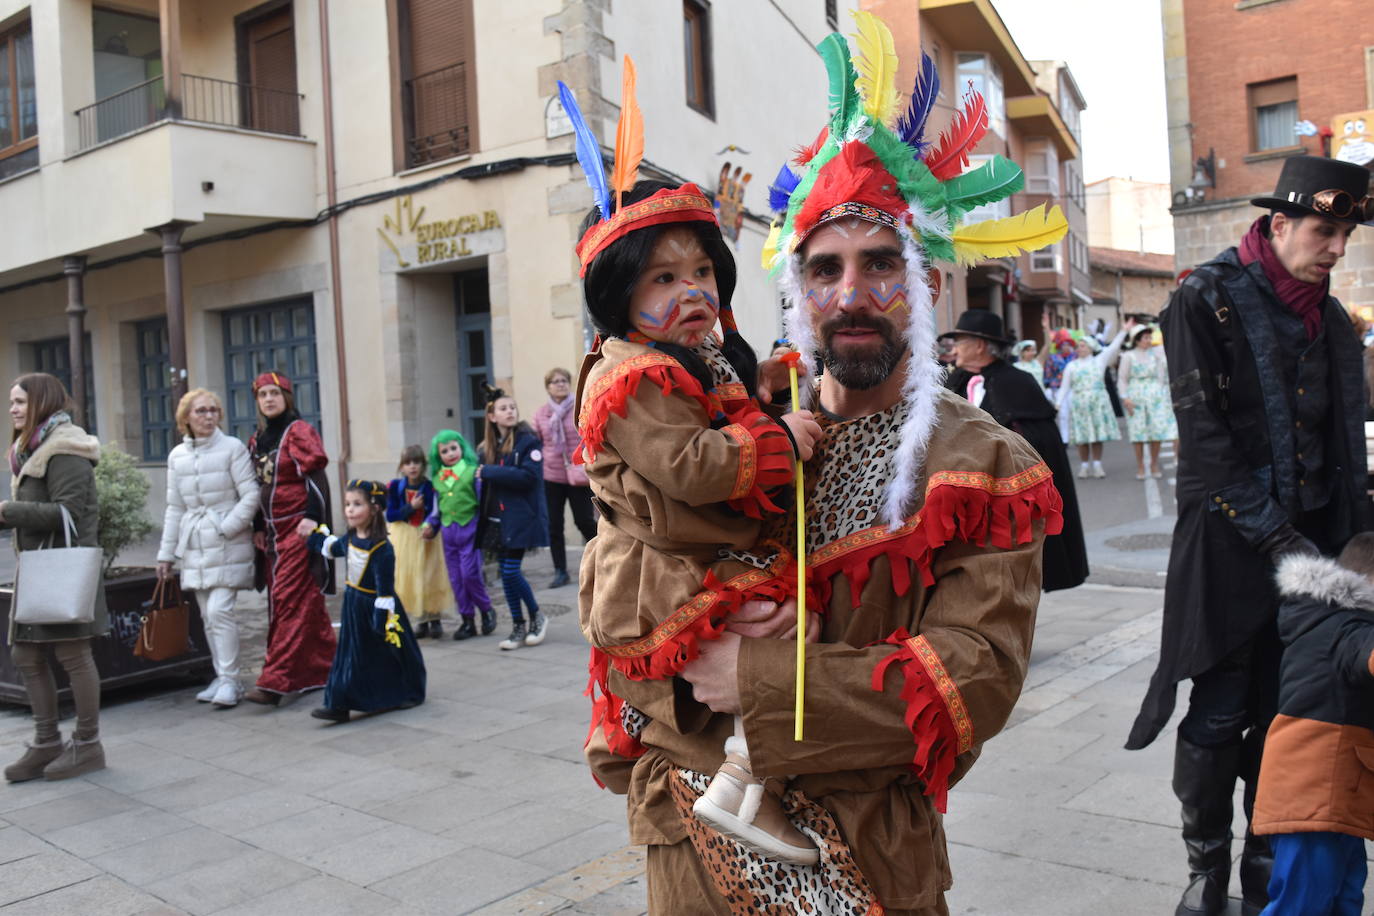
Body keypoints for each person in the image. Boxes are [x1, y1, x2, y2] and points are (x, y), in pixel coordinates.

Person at [586, 20, 1063, 912]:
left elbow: (973, 680)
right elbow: (614, 599)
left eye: (880, 264)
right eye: (824, 269)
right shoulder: (723, 430)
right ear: (793, 289)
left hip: (867, 859)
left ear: (925, 285)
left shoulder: (982, 464)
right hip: (692, 844)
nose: (850, 295)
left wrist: (755, 680)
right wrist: (682, 652)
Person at [564, 61, 823, 861]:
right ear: (618, 295)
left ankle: (744, 784)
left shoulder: (681, 359)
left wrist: (766, 388)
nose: (694, 290)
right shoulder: (629, 375)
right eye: (665, 278)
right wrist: (781, 441)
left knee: (784, 633)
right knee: (767, 639)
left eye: (703, 271)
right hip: (661, 572)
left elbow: (713, 416)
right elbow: (693, 464)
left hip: (686, 553)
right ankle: (739, 787)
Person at [1126, 155, 1372, 916]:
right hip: (1230, 548)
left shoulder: (1331, 320)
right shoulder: (1205, 297)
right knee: (1219, 711)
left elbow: (1346, 447)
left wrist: (1351, 549)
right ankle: (1206, 868)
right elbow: (1202, 443)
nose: (1335, 248)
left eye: (1346, 235)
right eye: (1325, 230)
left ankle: (1269, 853)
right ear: (1279, 223)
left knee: (1287, 714)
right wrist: (1276, 541)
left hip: (1316, 554)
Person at [1251, 535, 1374, 915]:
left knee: (1344, 893)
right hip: (1314, 795)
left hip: (1333, 797)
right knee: (1303, 902)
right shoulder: (1345, 627)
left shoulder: (1325, 619)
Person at [2, 373, 107, 781]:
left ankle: (87, 744)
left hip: (63, 569)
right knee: (25, 655)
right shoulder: (33, 448)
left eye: (20, 402)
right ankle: (46, 742)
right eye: (12, 402)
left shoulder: (65, 447)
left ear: (41, 403)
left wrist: (7, 511)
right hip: (39, 567)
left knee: (73, 656)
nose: (12, 409)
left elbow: (69, 512)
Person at [942, 310, 1088, 592]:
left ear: (980, 345)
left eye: (960, 340)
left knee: (1004, 581)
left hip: (1003, 504)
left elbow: (1037, 443)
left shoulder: (1018, 382)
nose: (954, 348)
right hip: (958, 500)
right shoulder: (953, 381)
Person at [156, 388, 259, 709]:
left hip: (228, 542)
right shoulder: (177, 456)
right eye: (201, 411)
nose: (209, 416)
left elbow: (251, 495)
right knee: (206, 615)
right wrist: (166, 554)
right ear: (186, 417)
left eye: (214, 410)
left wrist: (226, 527)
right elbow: (175, 507)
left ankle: (230, 679)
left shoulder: (232, 448)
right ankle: (221, 674)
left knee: (220, 611)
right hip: (194, 545)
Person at [299, 480, 426, 723]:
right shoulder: (351, 538)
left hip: (375, 608)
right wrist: (314, 537)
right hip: (353, 605)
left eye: (357, 504)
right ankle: (339, 703)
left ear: (375, 508)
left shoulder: (382, 548)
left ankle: (408, 690)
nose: (350, 510)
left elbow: (385, 590)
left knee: (391, 652)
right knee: (349, 656)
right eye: (347, 504)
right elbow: (333, 548)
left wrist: (382, 621)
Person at [245, 371, 336, 706]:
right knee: (301, 600)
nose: (269, 399)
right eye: (262, 394)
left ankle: (276, 680)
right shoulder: (257, 439)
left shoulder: (298, 432)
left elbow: (316, 477)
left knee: (289, 599)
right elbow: (257, 489)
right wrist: (257, 526)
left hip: (298, 527)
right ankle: (324, 667)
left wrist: (312, 518)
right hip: (271, 533)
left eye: (274, 393)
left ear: (286, 396)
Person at [475, 389, 549, 650]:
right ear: (492, 416)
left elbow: (529, 477)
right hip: (498, 519)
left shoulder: (528, 440)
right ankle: (518, 625)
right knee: (506, 576)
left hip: (520, 517)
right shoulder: (487, 448)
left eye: (512, 407)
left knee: (510, 571)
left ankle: (537, 615)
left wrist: (491, 472)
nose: (510, 412)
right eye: (503, 408)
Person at [425, 429, 494, 640]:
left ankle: (486, 610)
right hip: (448, 533)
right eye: (445, 451)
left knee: (469, 574)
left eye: (454, 448)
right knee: (456, 579)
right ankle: (467, 620)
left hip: (470, 529)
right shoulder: (437, 479)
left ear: (461, 448)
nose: (450, 453)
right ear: (439, 456)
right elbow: (436, 510)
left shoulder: (473, 472)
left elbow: (484, 504)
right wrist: (428, 525)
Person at [531, 367, 597, 589]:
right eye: (555, 382)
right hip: (552, 476)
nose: (560, 384)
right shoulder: (541, 414)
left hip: (578, 475)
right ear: (548, 387)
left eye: (563, 380)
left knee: (585, 521)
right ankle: (560, 570)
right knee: (554, 525)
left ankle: (601, 560)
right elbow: (537, 443)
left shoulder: (580, 407)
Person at [385, 445, 452, 639]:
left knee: (429, 575)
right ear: (402, 466)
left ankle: (435, 619)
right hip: (404, 536)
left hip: (425, 537)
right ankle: (420, 619)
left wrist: (432, 529)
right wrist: (410, 507)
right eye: (408, 463)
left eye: (416, 462)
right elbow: (391, 515)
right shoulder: (396, 487)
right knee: (410, 576)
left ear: (423, 465)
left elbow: (435, 513)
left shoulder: (430, 487)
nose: (412, 467)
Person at [1056, 324, 1131, 478]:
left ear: (1090, 348)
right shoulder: (1071, 366)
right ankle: (1084, 465)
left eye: (1083, 346)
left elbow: (1113, 347)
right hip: (1080, 403)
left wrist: (1123, 330)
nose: (1080, 348)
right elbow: (1064, 387)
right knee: (1082, 437)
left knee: (1096, 436)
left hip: (1097, 403)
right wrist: (1057, 404)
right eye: (1078, 346)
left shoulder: (1098, 361)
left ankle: (1097, 464)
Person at [1118, 324, 1179, 479]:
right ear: (1137, 340)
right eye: (1145, 337)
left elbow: (1161, 376)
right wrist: (1125, 398)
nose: (1149, 340)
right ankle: (1140, 466)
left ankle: (1153, 463)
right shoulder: (1128, 356)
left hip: (1155, 397)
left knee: (1156, 432)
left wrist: (1161, 393)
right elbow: (1122, 379)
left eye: (1149, 337)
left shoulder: (1156, 355)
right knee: (1138, 433)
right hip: (1136, 395)